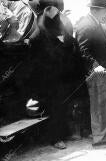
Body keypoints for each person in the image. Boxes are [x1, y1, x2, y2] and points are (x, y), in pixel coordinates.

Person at [25, 6, 86, 149]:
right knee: (55, 107)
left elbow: (70, 45)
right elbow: (33, 62)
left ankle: (63, 133)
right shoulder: (38, 36)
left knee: (63, 105)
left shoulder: (62, 31)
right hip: (48, 79)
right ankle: (55, 138)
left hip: (64, 77)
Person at [75, 0, 106, 72]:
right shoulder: (86, 25)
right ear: (94, 10)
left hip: (100, 71)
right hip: (91, 73)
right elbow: (82, 50)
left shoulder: (96, 23)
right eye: (105, 11)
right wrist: (95, 66)